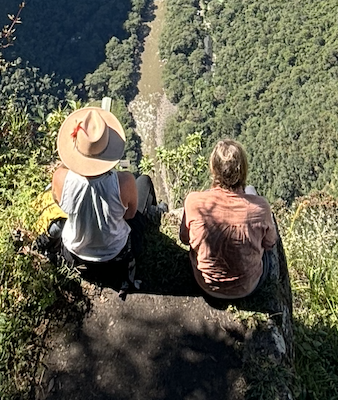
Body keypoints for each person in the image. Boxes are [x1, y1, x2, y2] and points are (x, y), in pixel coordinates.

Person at [36, 105, 156, 287]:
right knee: (145, 182)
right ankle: (156, 214)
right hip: (116, 256)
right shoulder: (124, 181)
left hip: (76, 256)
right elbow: (130, 215)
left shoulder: (60, 178)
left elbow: (59, 205)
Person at [180, 139, 277, 300]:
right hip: (247, 287)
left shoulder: (194, 202)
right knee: (252, 191)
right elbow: (269, 243)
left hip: (206, 284)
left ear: (213, 169)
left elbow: (184, 239)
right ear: (243, 169)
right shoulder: (261, 208)